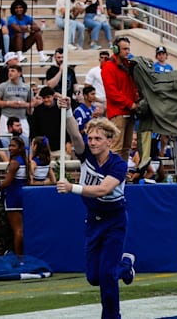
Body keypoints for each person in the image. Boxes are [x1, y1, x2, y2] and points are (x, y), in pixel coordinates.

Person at [56, 118, 135, 319]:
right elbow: (74, 134)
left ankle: (111, 316)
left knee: (107, 275)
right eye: (90, 138)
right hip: (93, 220)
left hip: (114, 220)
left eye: (97, 139)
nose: (92, 142)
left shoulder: (118, 164)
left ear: (109, 141)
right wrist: (68, 111)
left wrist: (71, 187)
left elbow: (103, 189)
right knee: (93, 277)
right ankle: (125, 266)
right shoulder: (86, 156)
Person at [0, 135, 28, 255]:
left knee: (17, 230)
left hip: (13, 197)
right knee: (22, 229)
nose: (9, 148)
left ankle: (19, 258)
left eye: (13, 146)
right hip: (24, 195)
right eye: (9, 145)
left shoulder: (15, 162)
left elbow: (8, 181)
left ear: (19, 148)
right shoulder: (24, 161)